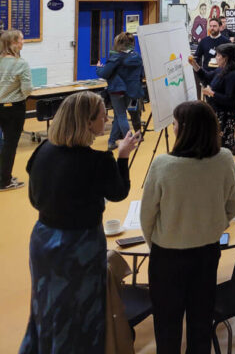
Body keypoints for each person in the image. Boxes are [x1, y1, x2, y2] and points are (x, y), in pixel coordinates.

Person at [21, 91, 139, 352]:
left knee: (47, 306)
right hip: (80, 247)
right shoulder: (97, 162)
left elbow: (34, 198)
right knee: (80, 314)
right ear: (87, 122)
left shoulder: (43, 151)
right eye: (102, 115)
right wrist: (123, 157)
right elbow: (118, 192)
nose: (106, 119)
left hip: (43, 240)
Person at [141, 101, 235, 354]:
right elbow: (233, 205)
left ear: (184, 129)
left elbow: (147, 216)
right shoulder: (225, 159)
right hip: (207, 252)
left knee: (167, 325)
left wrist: (161, 241)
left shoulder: (163, 165)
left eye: (174, 124)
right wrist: (212, 228)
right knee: (201, 323)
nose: (172, 128)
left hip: (167, 256)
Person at [96, 31, 144, 151]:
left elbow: (105, 73)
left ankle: (130, 139)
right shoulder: (137, 57)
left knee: (121, 115)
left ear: (118, 43)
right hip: (131, 90)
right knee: (118, 115)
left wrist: (98, 68)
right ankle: (111, 142)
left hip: (117, 91)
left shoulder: (117, 57)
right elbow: (141, 74)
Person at [189, 42, 235, 147]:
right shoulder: (221, 70)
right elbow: (207, 76)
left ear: (226, 58)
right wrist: (194, 64)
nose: (216, 57)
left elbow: (231, 100)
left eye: (218, 55)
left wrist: (212, 93)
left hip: (225, 119)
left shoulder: (233, 76)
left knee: (219, 148)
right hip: (216, 114)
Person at [0, 29, 32, 191]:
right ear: (13, 43)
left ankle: (2, 175)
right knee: (10, 145)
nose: (23, 42)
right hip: (13, 108)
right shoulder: (21, 63)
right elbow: (27, 89)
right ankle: (5, 180)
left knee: (3, 143)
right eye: (21, 39)